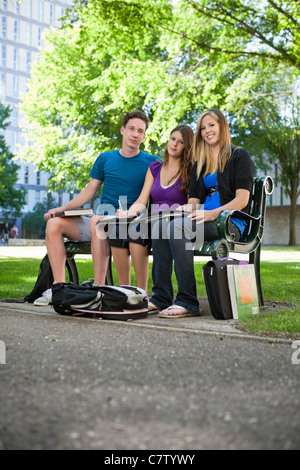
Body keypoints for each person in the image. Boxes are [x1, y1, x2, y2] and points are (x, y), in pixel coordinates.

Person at [34, 110, 160, 306]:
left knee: (96, 221)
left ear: (144, 135)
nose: (135, 134)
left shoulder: (151, 162)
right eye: (132, 129)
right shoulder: (105, 158)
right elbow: (89, 192)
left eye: (140, 131)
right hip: (100, 220)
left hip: (130, 221)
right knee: (54, 225)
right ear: (123, 130)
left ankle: (98, 288)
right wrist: (61, 208)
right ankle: (58, 289)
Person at [150, 109, 254, 318]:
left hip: (231, 221)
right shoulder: (201, 163)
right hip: (204, 218)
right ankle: (161, 297)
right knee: (161, 226)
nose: (207, 131)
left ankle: (187, 301)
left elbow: (242, 200)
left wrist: (213, 213)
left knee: (177, 227)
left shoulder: (239, 156)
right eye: (203, 128)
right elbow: (194, 202)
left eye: (211, 125)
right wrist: (184, 209)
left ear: (222, 126)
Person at [115, 124, 195, 298]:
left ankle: (144, 291)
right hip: (152, 220)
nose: (174, 144)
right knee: (122, 229)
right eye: (173, 139)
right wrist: (127, 213)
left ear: (187, 147)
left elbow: (191, 204)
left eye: (181, 142)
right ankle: (131, 291)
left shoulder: (190, 171)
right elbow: (142, 201)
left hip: (175, 222)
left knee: (139, 231)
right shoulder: (155, 168)